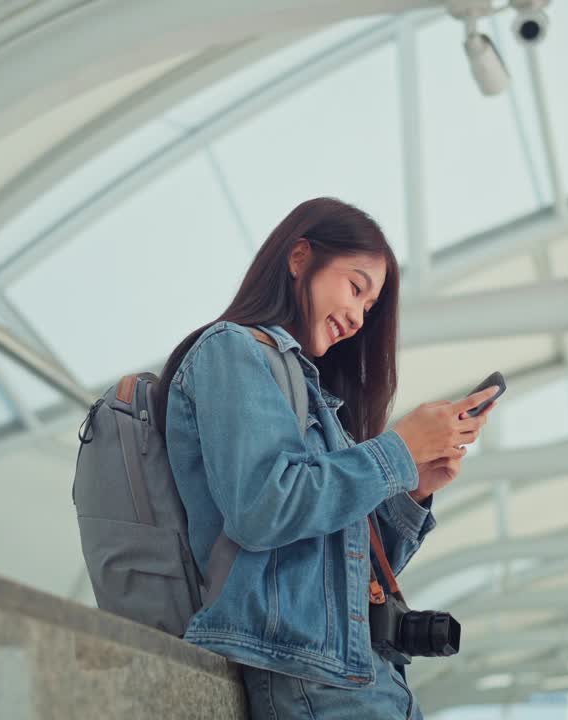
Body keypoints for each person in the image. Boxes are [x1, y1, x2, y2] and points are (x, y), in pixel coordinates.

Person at [157, 197, 498, 718]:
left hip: (366, 677)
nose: (360, 318)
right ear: (299, 258)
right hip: (311, 680)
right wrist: (397, 449)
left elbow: (346, 566)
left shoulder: (317, 399)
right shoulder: (234, 350)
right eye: (356, 288)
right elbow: (262, 508)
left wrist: (413, 488)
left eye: (369, 306)